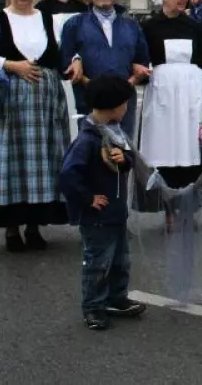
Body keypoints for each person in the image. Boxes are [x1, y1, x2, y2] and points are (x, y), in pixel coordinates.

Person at [0, 0, 70, 251]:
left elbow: (63, 52)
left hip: (45, 104)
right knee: (9, 161)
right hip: (7, 104)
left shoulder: (48, 20)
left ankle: (34, 226)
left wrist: (74, 61)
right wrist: (13, 65)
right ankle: (11, 229)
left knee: (41, 163)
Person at [58, 75, 147, 331]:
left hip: (116, 212)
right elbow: (68, 174)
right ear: (113, 106)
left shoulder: (114, 131)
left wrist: (124, 159)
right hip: (97, 217)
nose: (127, 108)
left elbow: (130, 158)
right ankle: (93, 306)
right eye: (125, 104)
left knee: (120, 261)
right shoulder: (88, 139)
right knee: (98, 263)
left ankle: (116, 299)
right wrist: (88, 198)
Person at [139, 0, 202, 213]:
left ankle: (188, 203)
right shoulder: (149, 27)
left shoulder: (194, 26)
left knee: (190, 143)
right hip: (162, 93)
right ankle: (167, 205)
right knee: (164, 144)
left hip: (192, 92)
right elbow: (141, 58)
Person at [60, 0, 151, 138]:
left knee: (122, 148)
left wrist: (127, 85)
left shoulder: (131, 26)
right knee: (91, 147)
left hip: (123, 103)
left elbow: (142, 61)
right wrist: (94, 85)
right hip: (89, 101)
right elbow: (65, 61)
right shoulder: (74, 24)